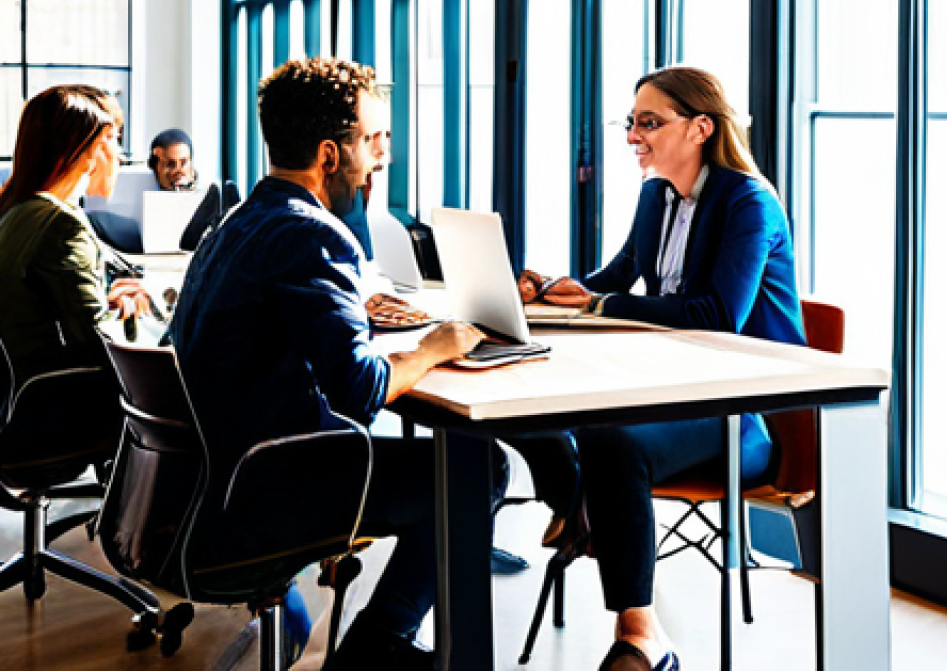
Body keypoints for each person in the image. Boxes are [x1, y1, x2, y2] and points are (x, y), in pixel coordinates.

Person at [168, 57, 484, 670]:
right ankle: (376, 648)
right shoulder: (311, 232)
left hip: (198, 487)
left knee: (437, 464)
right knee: (478, 468)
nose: (379, 159)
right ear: (330, 156)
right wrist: (434, 346)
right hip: (259, 493)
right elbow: (360, 389)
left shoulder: (236, 223)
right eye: (369, 141)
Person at [519, 65, 805, 671]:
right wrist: (548, 288)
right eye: (632, 122)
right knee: (526, 407)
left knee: (611, 442)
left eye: (648, 123)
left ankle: (639, 632)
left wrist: (600, 304)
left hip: (744, 414)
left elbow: (718, 312)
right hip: (670, 390)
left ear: (701, 127)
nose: (632, 137)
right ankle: (579, 503)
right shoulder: (656, 195)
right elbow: (617, 276)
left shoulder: (748, 202)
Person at [0, 85, 151, 423]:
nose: (118, 154)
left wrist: (102, 302)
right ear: (80, 151)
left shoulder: (16, 211)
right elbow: (103, 352)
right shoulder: (62, 223)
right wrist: (127, 316)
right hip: (51, 417)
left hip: (18, 410)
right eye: (109, 140)